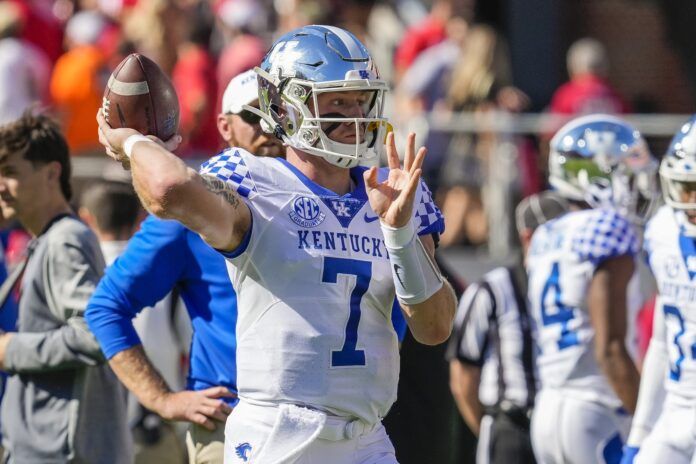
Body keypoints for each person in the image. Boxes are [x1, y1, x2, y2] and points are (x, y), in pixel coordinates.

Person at [96, 24, 456, 464]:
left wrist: (399, 235)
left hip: (367, 438)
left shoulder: (392, 192)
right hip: (281, 434)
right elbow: (169, 187)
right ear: (284, 108)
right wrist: (132, 141)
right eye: (336, 102)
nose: (355, 116)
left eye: (361, 100)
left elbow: (434, 328)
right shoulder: (254, 181)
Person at [85, 70, 285, 464]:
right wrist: (163, 399)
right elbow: (105, 307)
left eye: (278, 116)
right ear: (224, 126)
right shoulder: (192, 210)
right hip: (230, 422)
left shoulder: (319, 197)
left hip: (321, 424)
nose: (269, 128)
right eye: (253, 117)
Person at [0, 111, 132, 463]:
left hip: (62, 452)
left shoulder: (64, 241)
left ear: (52, 173)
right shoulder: (48, 239)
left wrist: (12, 350)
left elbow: (94, 335)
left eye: (11, 173)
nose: (0, 185)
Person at [526, 114, 657, 464]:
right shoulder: (608, 227)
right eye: (625, 172)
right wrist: (650, 426)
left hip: (549, 407)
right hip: (597, 408)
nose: (635, 185)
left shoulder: (546, 233)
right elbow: (610, 348)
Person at [447, 191, 568, 464]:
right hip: (510, 427)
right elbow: (463, 375)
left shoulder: (578, 290)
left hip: (560, 426)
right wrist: (491, 427)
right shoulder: (492, 290)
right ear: (528, 237)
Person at [621, 115, 696, 464]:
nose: (688, 199)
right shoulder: (664, 230)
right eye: (684, 185)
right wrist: (639, 433)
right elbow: (663, 341)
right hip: (677, 409)